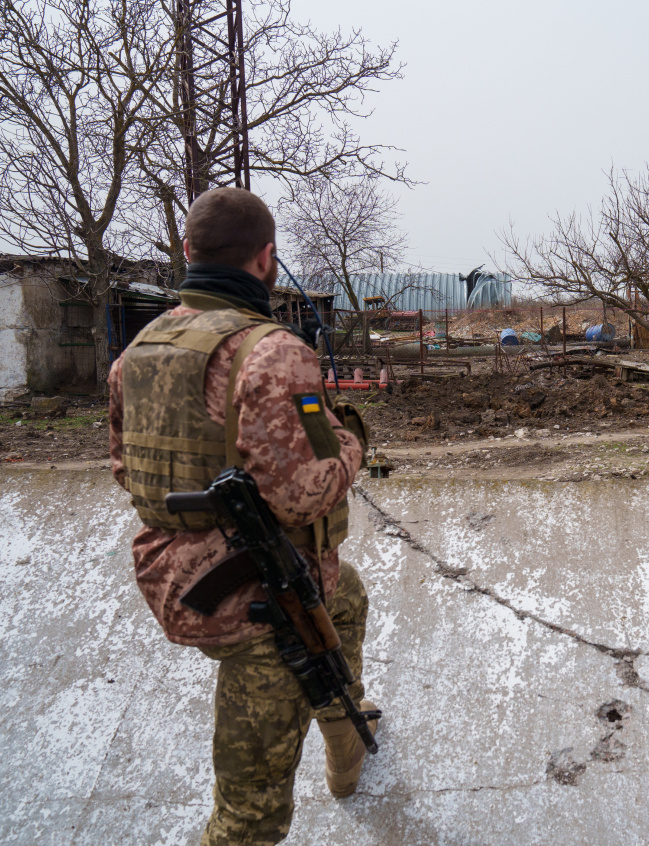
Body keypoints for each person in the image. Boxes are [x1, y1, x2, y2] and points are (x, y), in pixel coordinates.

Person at [108, 187, 377, 845]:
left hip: (168, 573)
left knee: (345, 596)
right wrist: (351, 447)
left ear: (187, 250)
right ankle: (329, 733)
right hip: (257, 598)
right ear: (266, 258)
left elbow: (125, 469)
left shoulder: (136, 352)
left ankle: (345, 730)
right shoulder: (272, 351)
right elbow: (300, 496)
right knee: (249, 818)